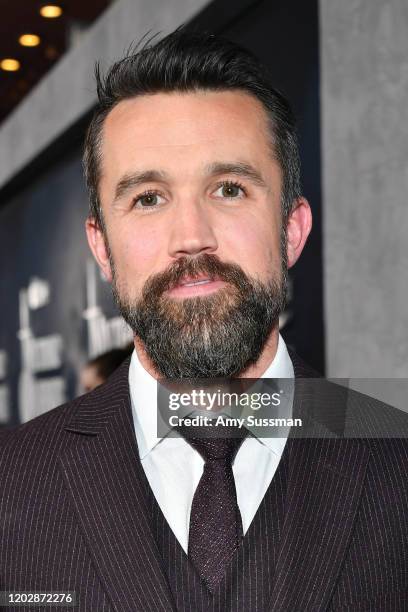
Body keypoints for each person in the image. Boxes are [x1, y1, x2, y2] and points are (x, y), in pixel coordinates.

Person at [1, 29, 407, 612]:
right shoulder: (11, 482)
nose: (191, 237)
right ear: (102, 248)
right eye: (147, 198)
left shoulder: (397, 456)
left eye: (229, 189)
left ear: (291, 229)